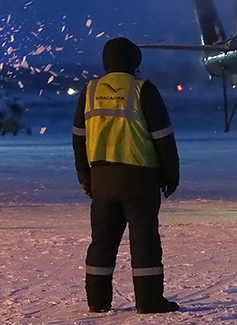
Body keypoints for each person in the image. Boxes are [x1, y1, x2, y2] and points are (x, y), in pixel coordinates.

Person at [72, 37, 180, 314]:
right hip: (139, 178)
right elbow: (163, 137)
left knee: (102, 241)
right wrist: (171, 174)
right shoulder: (142, 89)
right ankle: (149, 301)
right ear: (135, 62)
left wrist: (86, 177)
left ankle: (97, 301)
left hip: (102, 180)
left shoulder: (90, 91)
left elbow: (79, 139)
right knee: (144, 240)